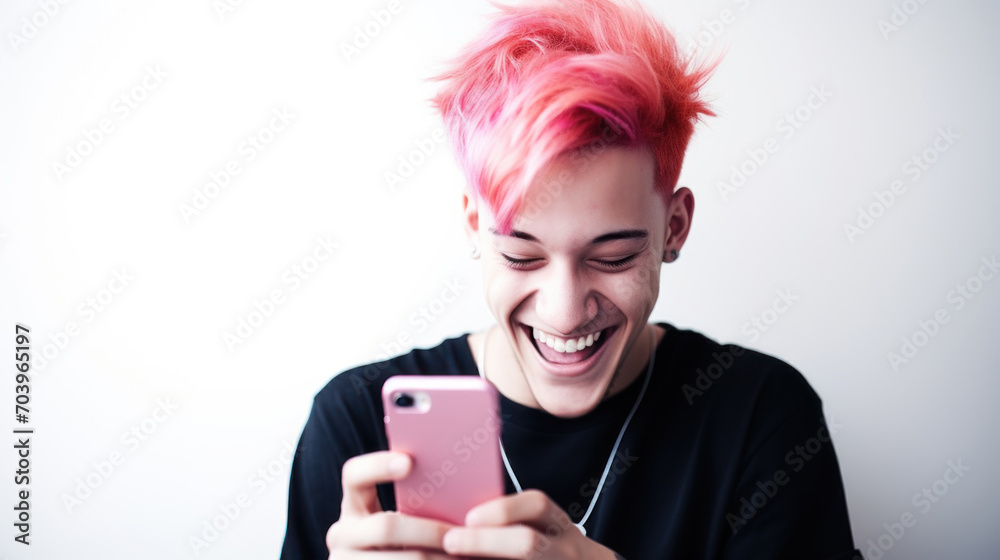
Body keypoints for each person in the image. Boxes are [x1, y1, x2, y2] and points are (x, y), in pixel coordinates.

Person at [281, 0, 861, 557]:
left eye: (612, 258)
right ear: (474, 228)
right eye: (520, 256)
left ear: (674, 228)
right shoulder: (356, 423)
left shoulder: (760, 414)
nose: (563, 312)